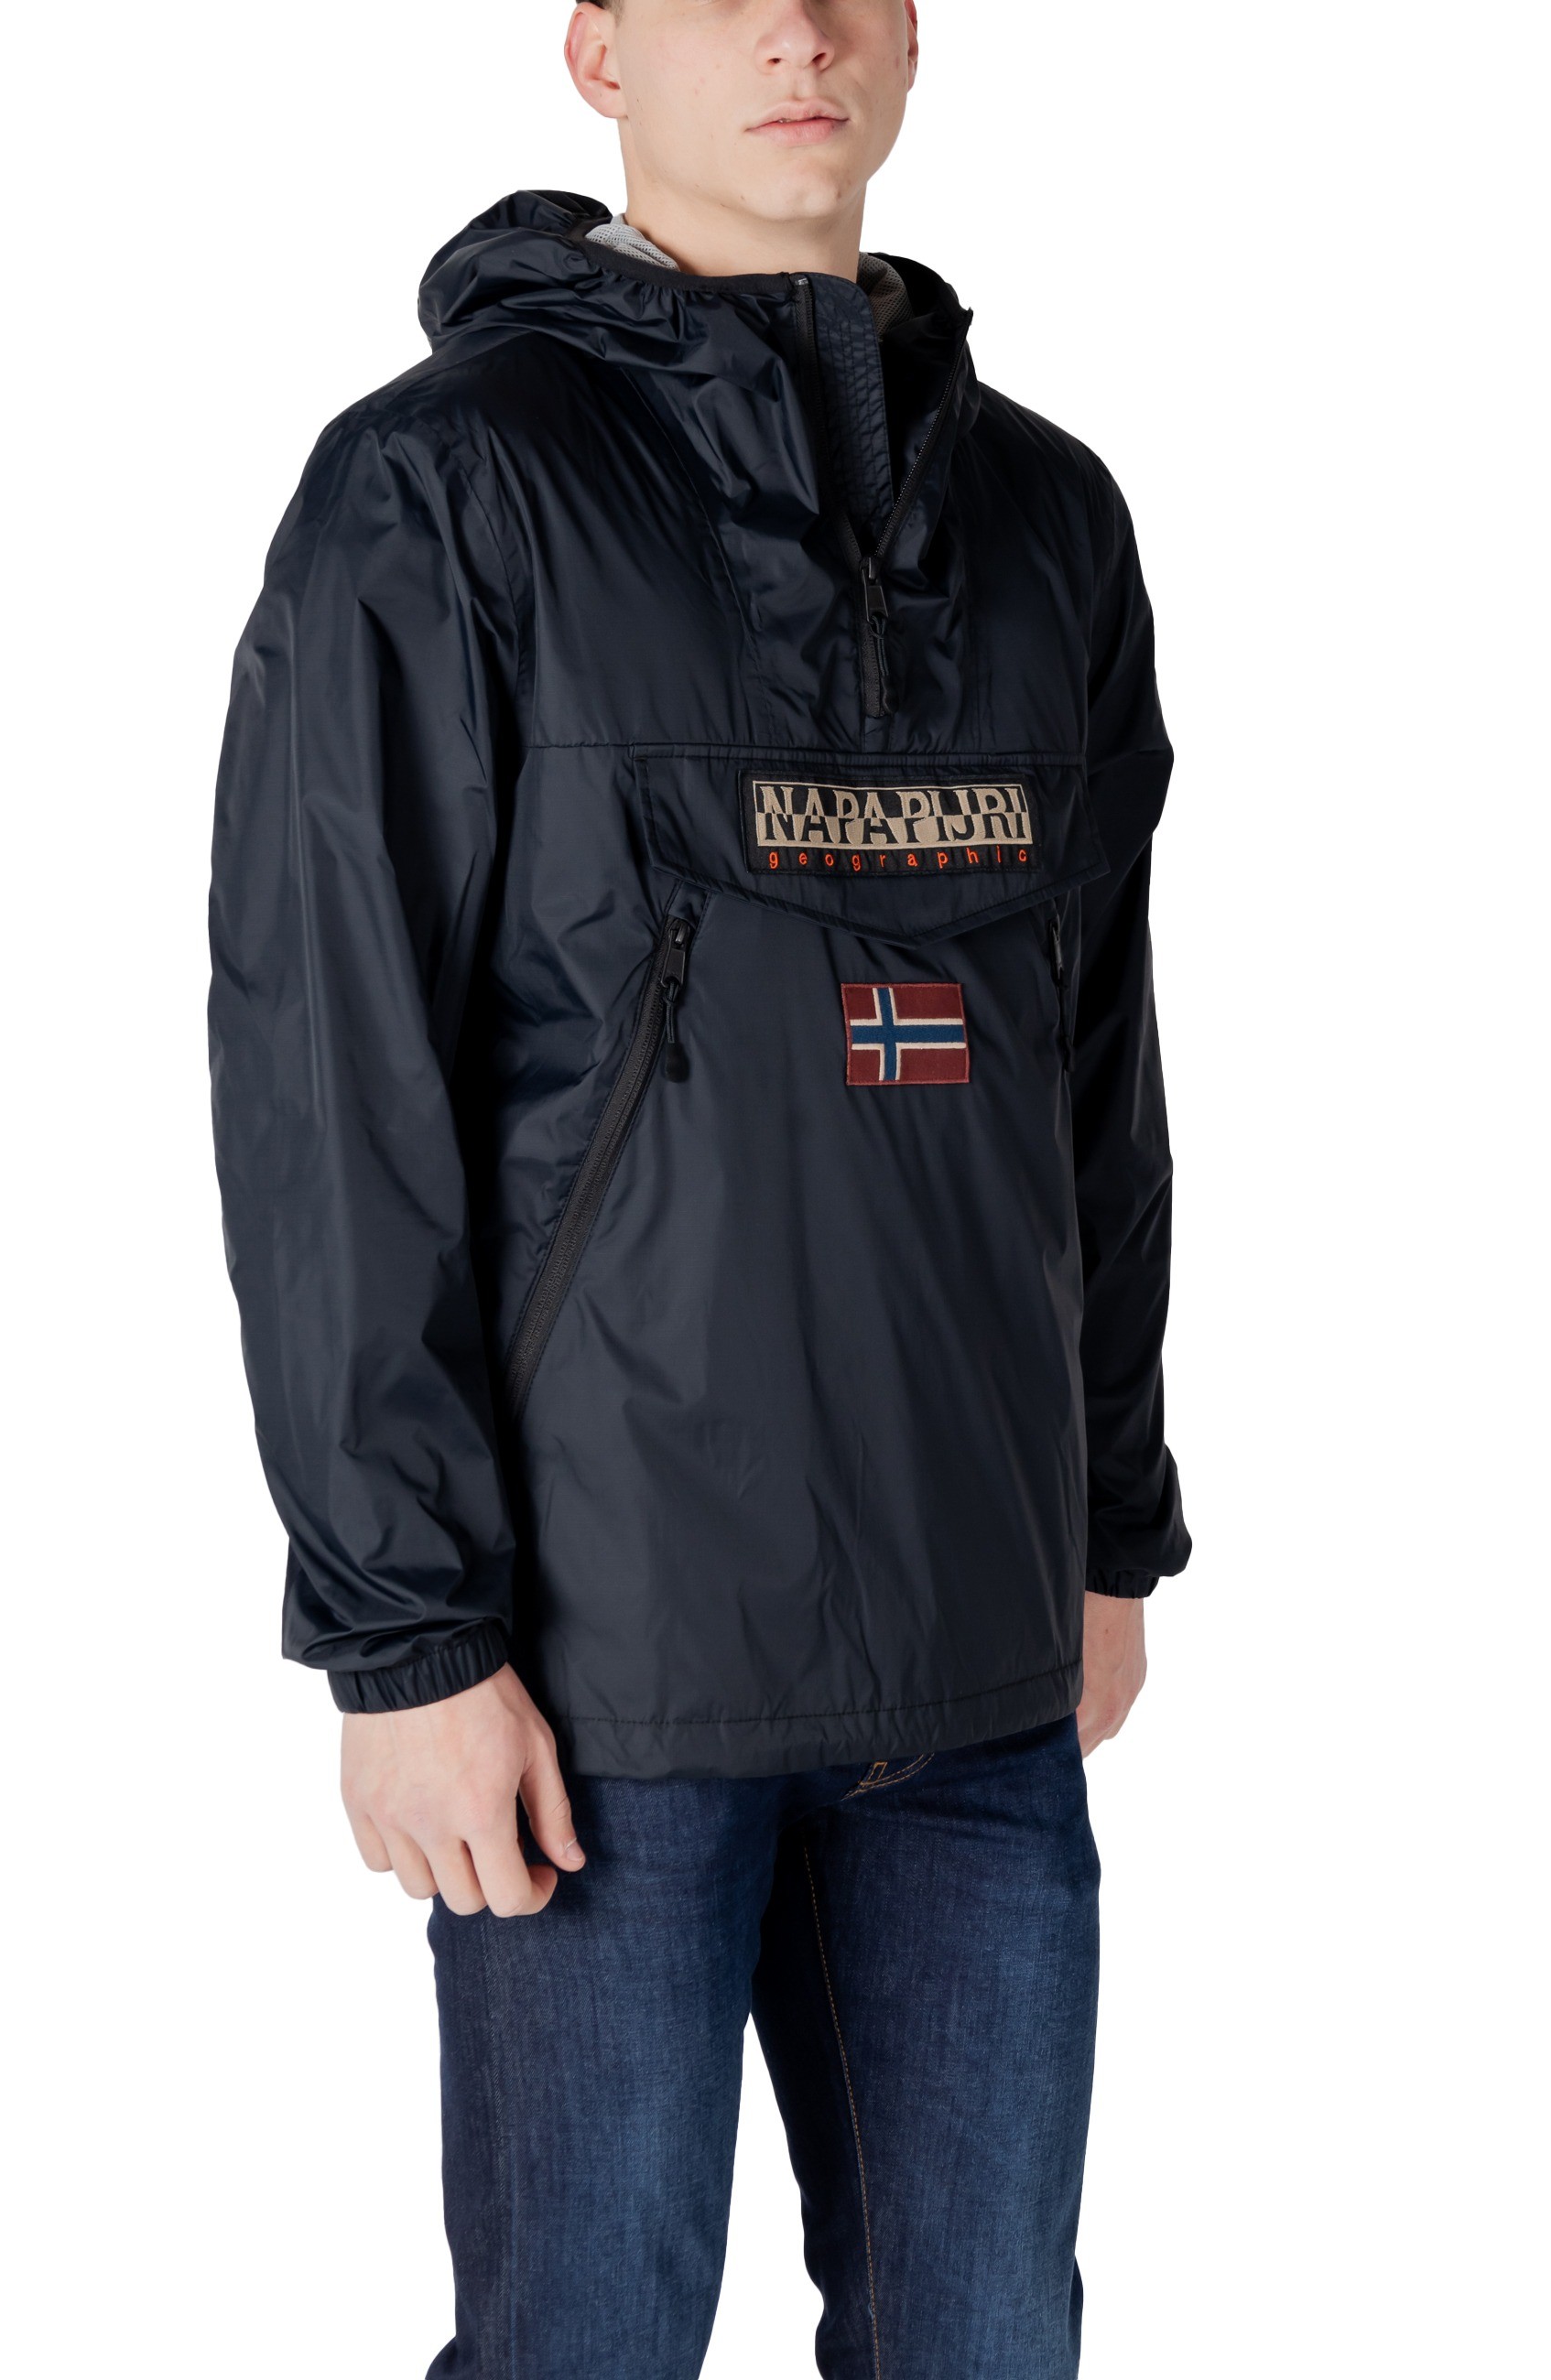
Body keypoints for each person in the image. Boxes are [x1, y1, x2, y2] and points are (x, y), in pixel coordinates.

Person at [208, 3, 1190, 2373]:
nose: (798, 28)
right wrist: (407, 1641)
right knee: (587, 2343)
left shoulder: (1050, 521)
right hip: (598, 1680)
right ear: (596, 50)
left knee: (990, 2344)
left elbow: (1096, 1068)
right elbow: (329, 1083)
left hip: (976, 1675)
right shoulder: (438, 489)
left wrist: (1105, 1523)